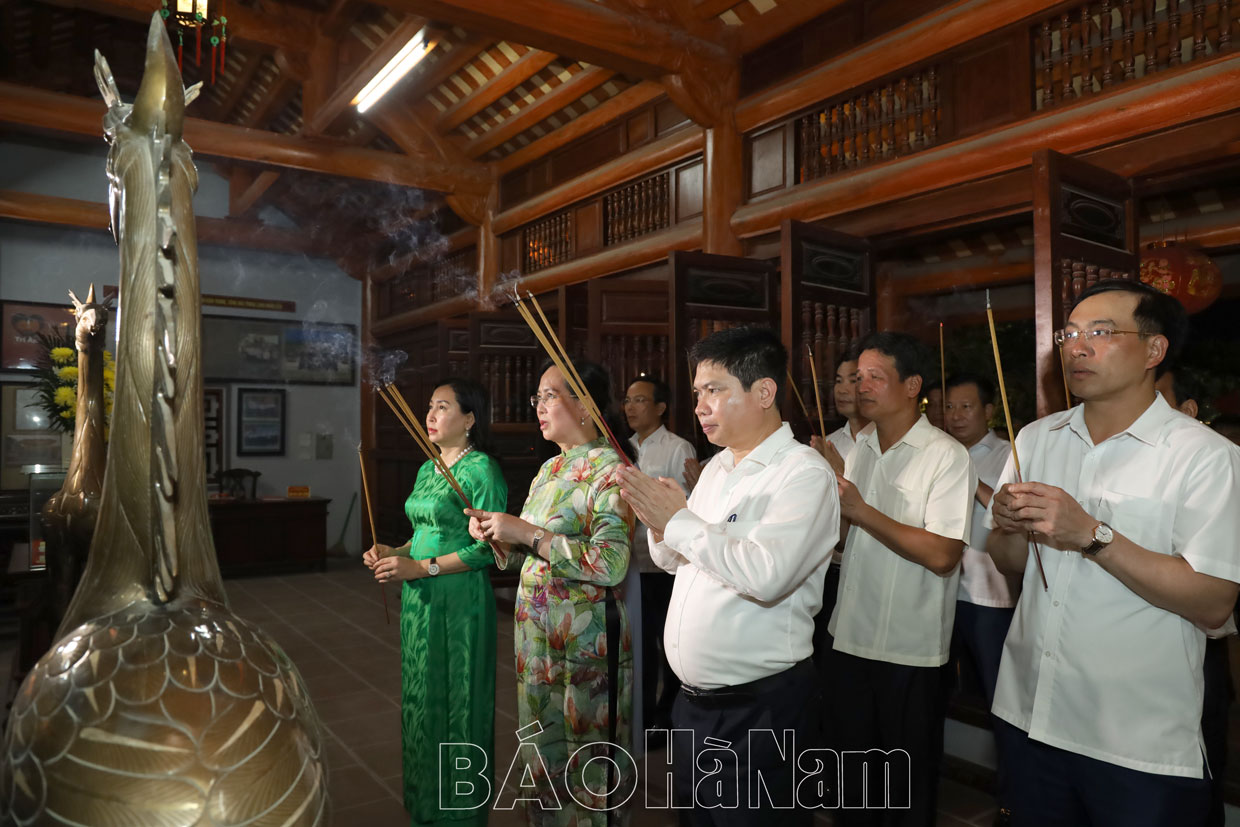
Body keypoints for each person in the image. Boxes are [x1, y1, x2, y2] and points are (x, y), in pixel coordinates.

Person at [986, 280, 1240, 826]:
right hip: (1028, 710)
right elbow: (1009, 562)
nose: (1077, 346)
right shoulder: (1034, 439)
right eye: (1070, 333)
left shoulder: (1203, 457)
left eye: (1101, 333)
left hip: (1133, 739)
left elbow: (1215, 601)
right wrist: (1006, 527)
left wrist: (1093, 536)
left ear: (1154, 350)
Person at [618, 325, 839, 825]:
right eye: (697, 393)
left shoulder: (802, 473)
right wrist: (659, 521)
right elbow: (678, 560)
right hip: (693, 707)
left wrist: (679, 520)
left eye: (714, 390)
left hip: (758, 708)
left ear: (763, 391)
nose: (699, 406)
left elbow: (767, 574)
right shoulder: (718, 468)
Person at [466, 360, 632, 827]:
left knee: (587, 751)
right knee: (540, 741)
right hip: (535, 636)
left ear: (586, 406)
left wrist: (528, 532)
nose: (538, 406)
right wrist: (501, 539)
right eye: (536, 397)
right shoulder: (549, 469)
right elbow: (531, 556)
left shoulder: (612, 468)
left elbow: (611, 562)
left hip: (587, 642)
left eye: (549, 396)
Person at [827, 331, 976, 827]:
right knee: (852, 782)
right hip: (849, 634)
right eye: (855, 376)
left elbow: (943, 554)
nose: (860, 386)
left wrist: (860, 510)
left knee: (905, 788)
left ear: (912, 385)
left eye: (874, 376)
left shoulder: (946, 455)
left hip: (909, 646)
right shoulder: (860, 446)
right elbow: (848, 541)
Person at [365, 378, 508, 827]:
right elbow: (423, 537)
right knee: (422, 697)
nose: (430, 415)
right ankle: (425, 802)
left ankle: (460, 812)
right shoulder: (429, 468)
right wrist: (395, 553)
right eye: (429, 406)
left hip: (458, 597)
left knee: (458, 698)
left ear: (469, 419)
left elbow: (485, 550)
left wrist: (421, 568)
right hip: (420, 598)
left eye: (442, 407)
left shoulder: (481, 470)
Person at [1156, 367, 1234, 827]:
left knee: (1202, 753)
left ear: (1187, 411)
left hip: (1201, 636)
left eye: (1155, 399)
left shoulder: (1209, 463)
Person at [943, 372, 1017, 822]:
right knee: (935, 688)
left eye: (966, 407)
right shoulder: (938, 452)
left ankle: (1011, 796)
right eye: (949, 407)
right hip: (945, 590)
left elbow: (1012, 518)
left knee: (1000, 700)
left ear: (988, 411)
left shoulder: (1011, 453)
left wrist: (969, 477)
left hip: (991, 596)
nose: (955, 416)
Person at [623, 375, 696, 734]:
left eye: (639, 400)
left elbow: (683, 507)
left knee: (667, 643)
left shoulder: (677, 447)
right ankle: (642, 714)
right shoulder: (620, 447)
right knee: (639, 643)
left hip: (665, 565)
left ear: (660, 407)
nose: (630, 407)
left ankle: (667, 713)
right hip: (629, 562)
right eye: (627, 401)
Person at [809, 353, 871, 678]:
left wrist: (840, 475)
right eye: (838, 380)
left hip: (869, 573)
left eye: (854, 380)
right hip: (829, 570)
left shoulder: (884, 442)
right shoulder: (826, 442)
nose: (843, 389)